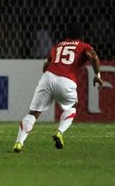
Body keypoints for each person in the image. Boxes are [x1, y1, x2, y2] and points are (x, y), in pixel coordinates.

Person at [13, 23, 103, 153]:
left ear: (67, 35)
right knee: (73, 106)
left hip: (48, 77)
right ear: (81, 36)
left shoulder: (58, 46)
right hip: (67, 81)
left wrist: (47, 79)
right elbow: (93, 56)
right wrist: (97, 75)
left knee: (33, 112)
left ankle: (19, 143)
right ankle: (59, 132)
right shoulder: (84, 46)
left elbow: (46, 64)